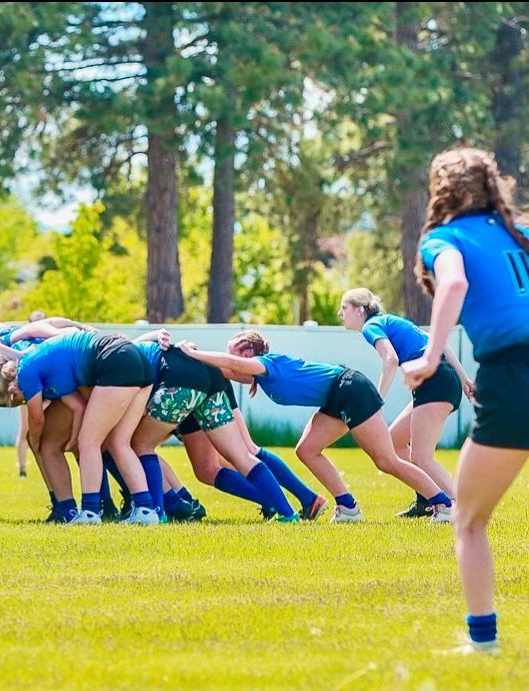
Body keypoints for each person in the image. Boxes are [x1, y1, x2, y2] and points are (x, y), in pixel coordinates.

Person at [403, 146, 529, 655]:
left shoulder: (445, 238)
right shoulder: (518, 234)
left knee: (469, 519)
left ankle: (483, 643)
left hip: (512, 375)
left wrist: (431, 356)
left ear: (442, 190)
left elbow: (453, 281)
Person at [180, 332, 455, 523]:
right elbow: (229, 370)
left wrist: (194, 353)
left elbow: (231, 365)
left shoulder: (266, 363)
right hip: (336, 396)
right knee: (307, 450)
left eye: (233, 354)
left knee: (386, 460)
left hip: (350, 389)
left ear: (248, 353)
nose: (229, 363)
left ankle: (443, 503)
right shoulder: (261, 376)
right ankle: (347, 507)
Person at [0, 330, 157, 526]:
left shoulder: (26, 372)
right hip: (136, 359)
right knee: (119, 443)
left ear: (11, 388)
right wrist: (74, 439)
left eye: (12, 399)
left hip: (115, 360)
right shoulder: (46, 366)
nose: (17, 401)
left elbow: (37, 418)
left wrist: (36, 442)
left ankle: (90, 513)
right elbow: (78, 408)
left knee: (89, 443)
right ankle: (145, 509)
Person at [129, 339, 306, 523]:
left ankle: (156, 514)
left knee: (140, 444)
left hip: (181, 378)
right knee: (240, 457)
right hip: (209, 376)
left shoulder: (122, 358)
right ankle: (288, 514)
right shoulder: (134, 349)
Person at [339, 288, 473, 517]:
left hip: (435, 382)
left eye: (344, 307)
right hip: (440, 379)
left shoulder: (371, 326)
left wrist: (375, 400)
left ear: (360, 310)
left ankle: (460, 510)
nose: (340, 313)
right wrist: (463, 379)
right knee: (394, 442)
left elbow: (391, 359)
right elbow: (439, 343)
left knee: (421, 457)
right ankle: (426, 501)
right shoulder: (390, 320)